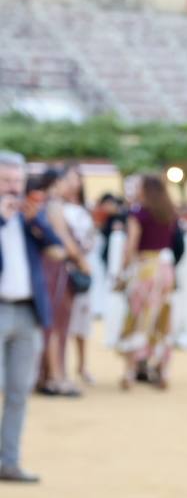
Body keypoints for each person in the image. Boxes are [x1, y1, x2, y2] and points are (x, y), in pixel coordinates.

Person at [0, 152, 64, 483]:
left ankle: (8, 461)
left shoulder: (29, 218)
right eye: (6, 180)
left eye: (16, 181)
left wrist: (33, 222)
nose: (12, 188)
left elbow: (57, 249)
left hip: (27, 311)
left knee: (18, 391)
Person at [115, 174, 179, 390]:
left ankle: (130, 371)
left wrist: (122, 271)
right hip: (165, 269)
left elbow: (130, 245)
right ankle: (163, 370)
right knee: (162, 319)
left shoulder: (138, 213)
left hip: (145, 270)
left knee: (138, 317)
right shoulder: (169, 212)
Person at [33, 165, 92, 397]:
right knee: (57, 324)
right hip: (56, 269)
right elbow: (64, 239)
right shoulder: (54, 205)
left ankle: (47, 375)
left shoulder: (40, 204)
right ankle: (55, 376)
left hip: (49, 267)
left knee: (52, 323)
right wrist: (82, 262)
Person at [59, 168, 97, 386]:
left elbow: (90, 236)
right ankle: (60, 368)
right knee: (62, 322)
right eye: (71, 179)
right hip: (66, 268)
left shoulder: (82, 209)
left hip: (83, 267)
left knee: (82, 319)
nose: (75, 183)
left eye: (78, 179)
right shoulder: (57, 208)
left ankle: (82, 365)